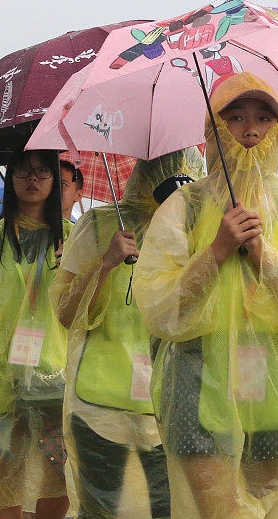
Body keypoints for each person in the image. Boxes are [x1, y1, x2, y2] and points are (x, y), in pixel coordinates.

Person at [134, 73, 278, 519]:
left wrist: (263, 254)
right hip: (199, 388)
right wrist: (217, 251)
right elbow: (160, 310)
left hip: (275, 391)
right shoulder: (184, 208)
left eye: (264, 118)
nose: (251, 131)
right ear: (214, 130)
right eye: (236, 118)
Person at [51, 147, 205, 519]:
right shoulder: (100, 225)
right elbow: (67, 312)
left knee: (167, 510)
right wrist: (106, 263)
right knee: (98, 509)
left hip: (169, 405)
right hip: (99, 403)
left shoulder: (201, 231)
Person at [0, 149, 69, 519]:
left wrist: (78, 269)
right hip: (3, 381)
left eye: (42, 171)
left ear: (54, 180)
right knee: (5, 476)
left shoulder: (72, 239)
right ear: (10, 178)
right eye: (23, 171)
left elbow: (87, 310)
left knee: (60, 475)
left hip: (58, 379)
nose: (33, 179)